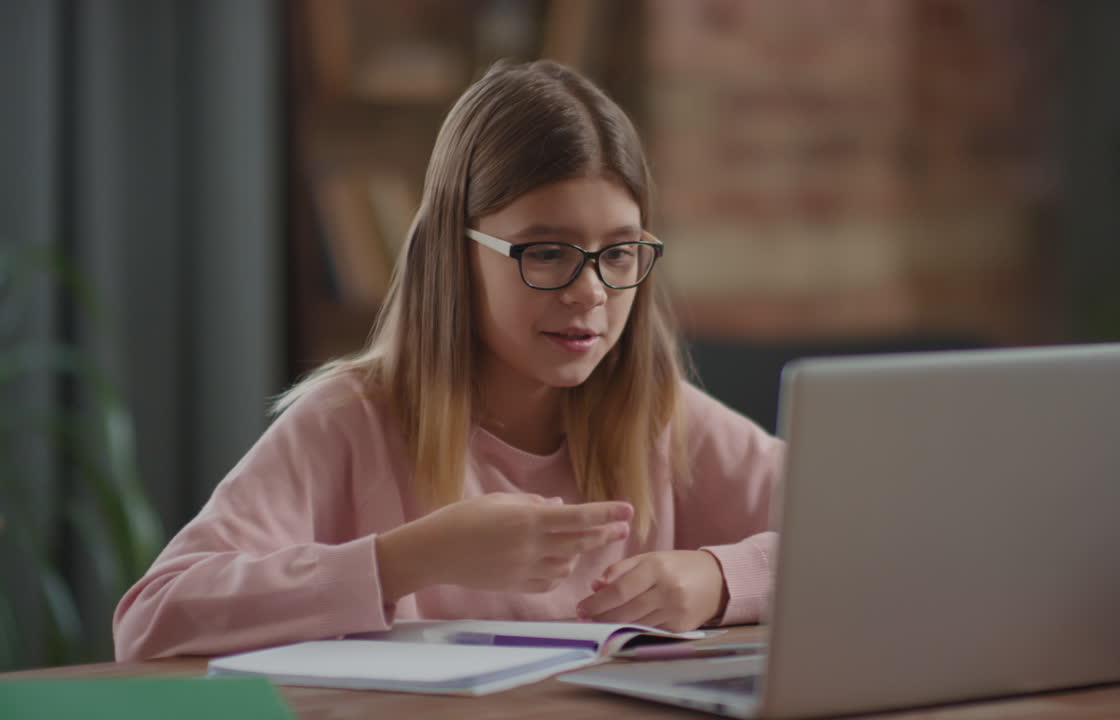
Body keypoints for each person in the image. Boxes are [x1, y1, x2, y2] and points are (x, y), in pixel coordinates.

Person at [112, 60, 783, 662]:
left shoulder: (660, 417)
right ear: (456, 257)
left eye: (618, 253)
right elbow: (152, 618)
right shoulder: (349, 422)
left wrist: (722, 579)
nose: (592, 292)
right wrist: (408, 559)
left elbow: (873, 538)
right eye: (546, 252)